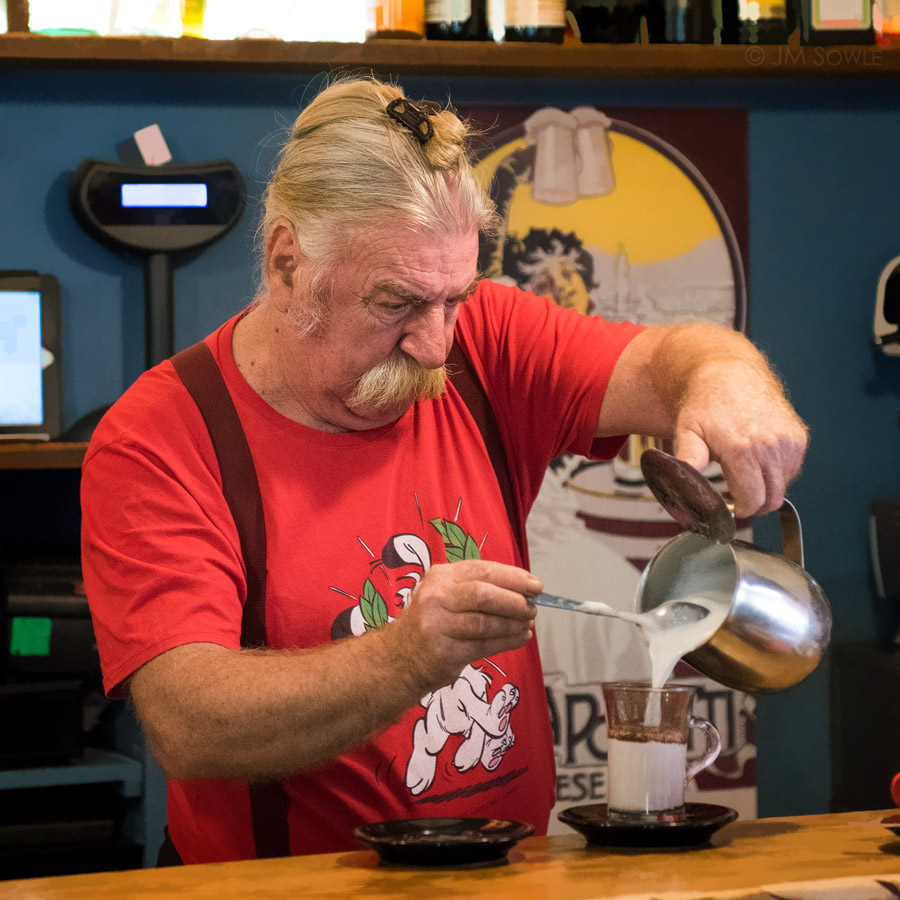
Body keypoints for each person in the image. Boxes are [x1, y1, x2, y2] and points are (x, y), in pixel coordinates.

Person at [80, 75, 808, 865]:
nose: (436, 347)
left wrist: (727, 384)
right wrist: (406, 657)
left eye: (453, 297)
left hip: (509, 874)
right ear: (287, 261)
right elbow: (190, 722)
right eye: (395, 304)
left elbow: (679, 357)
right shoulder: (163, 435)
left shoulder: (483, 341)